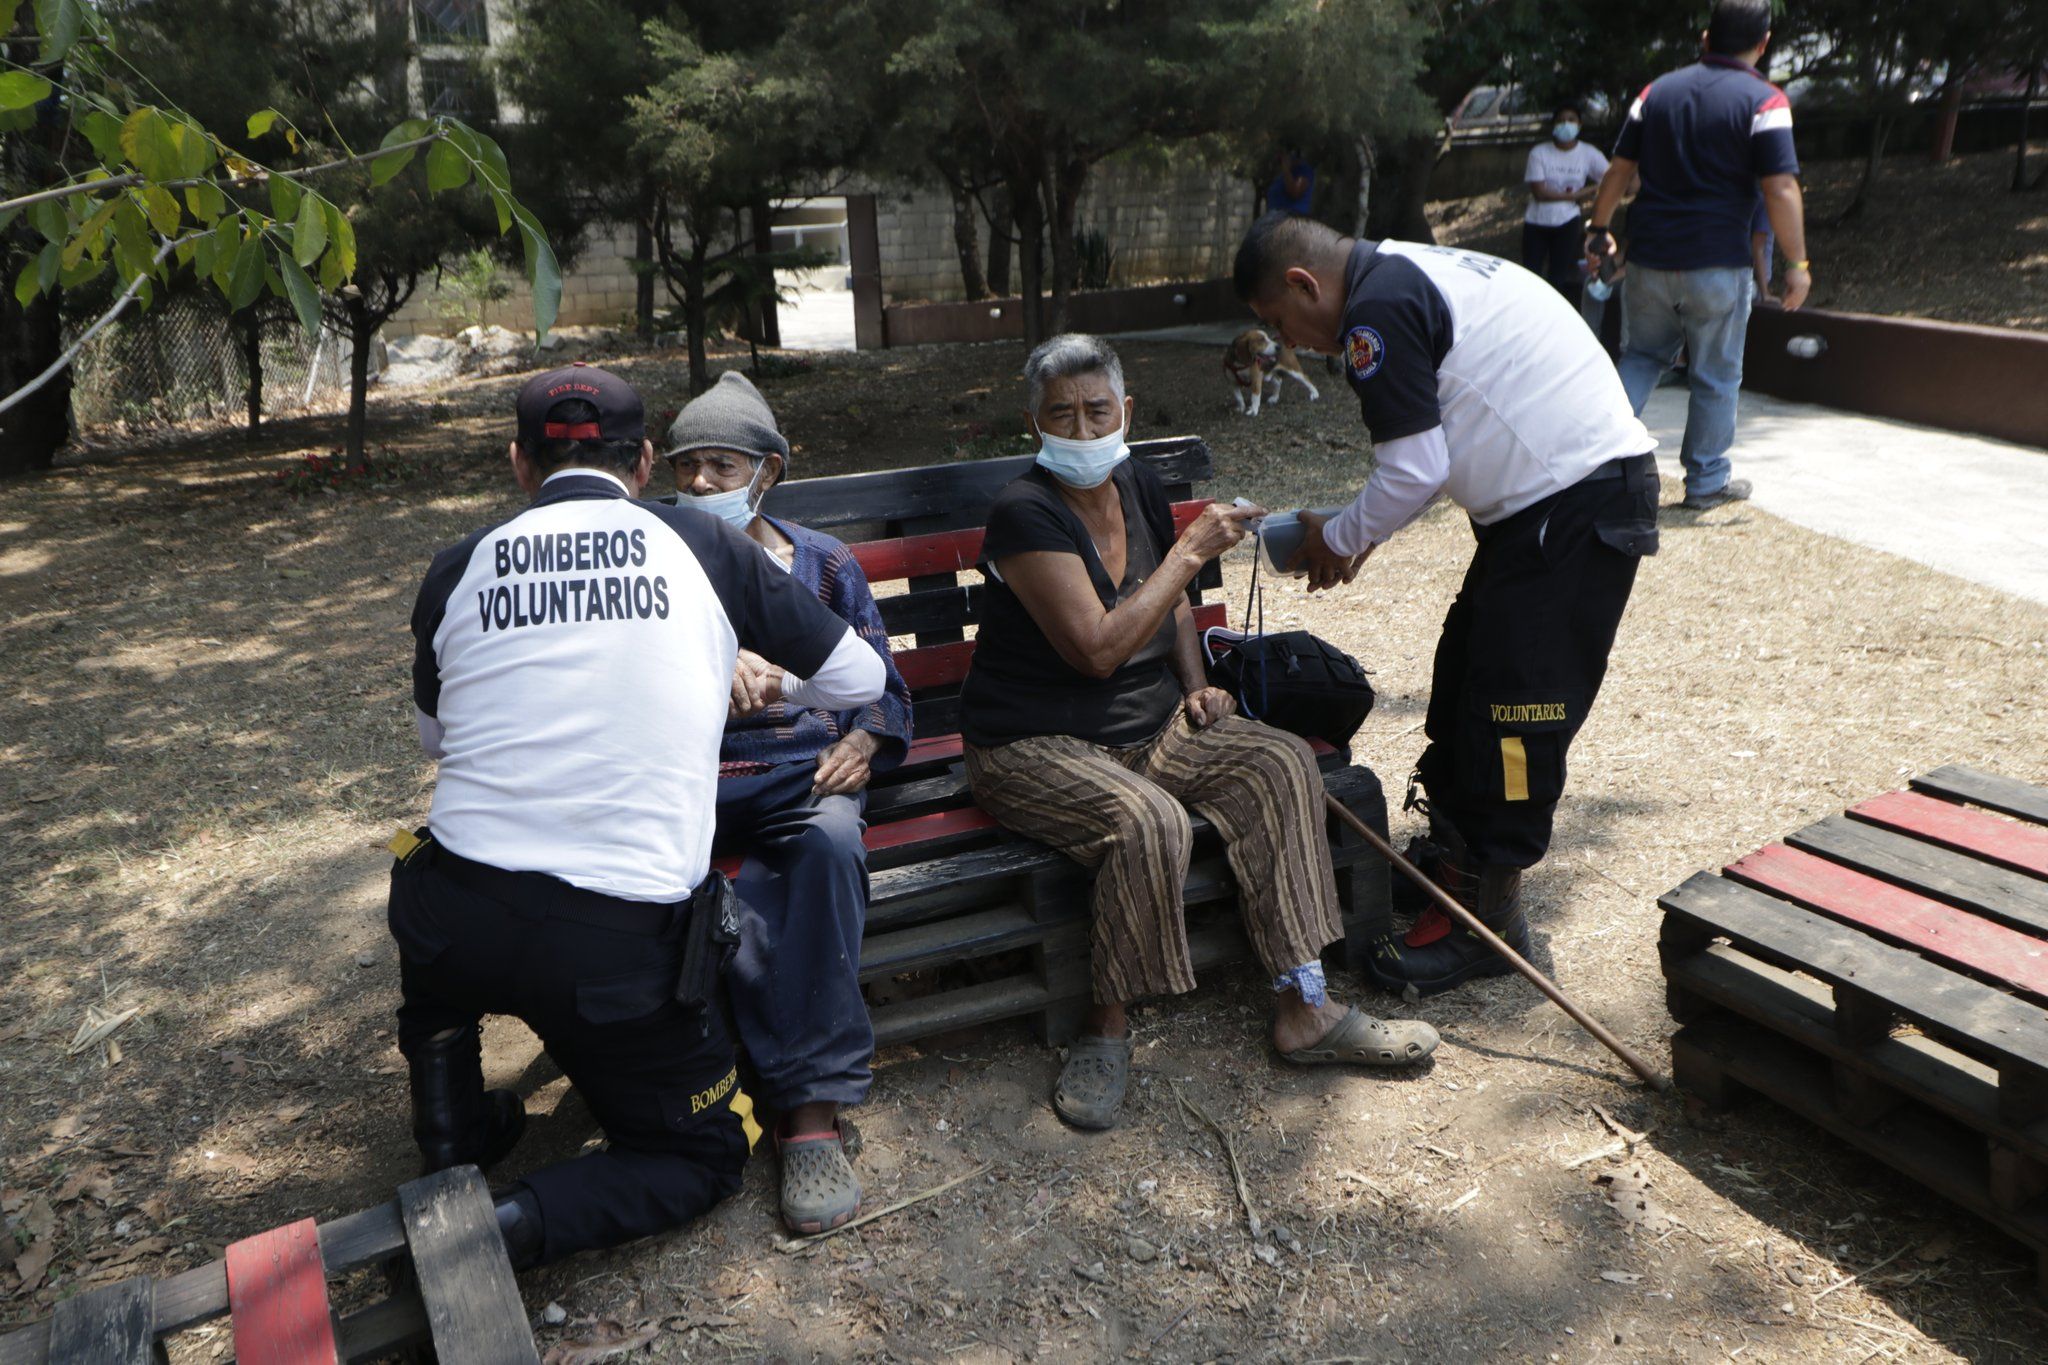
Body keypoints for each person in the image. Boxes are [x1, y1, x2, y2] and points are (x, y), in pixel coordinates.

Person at [389, 364, 885, 1268]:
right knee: (701, 1152)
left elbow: (436, 738)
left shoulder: (458, 563)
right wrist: (739, 674)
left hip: (450, 920)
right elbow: (860, 678)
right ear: (647, 458)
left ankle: (451, 1124)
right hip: (606, 946)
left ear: (517, 464)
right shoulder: (695, 542)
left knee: (435, 925)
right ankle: (492, 1232)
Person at [958, 333, 1440, 1131]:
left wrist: (1197, 685)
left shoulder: (1138, 483)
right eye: (1062, 416)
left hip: (1148, 725)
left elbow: (1171, 604)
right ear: (1033, 423)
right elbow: (1097, 648)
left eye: (1097, 411)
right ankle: (1107, 1029)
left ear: (1127, 412)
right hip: (1031, 744)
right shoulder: (1024, 513)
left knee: (1281, 761)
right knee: (1143, 820)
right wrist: (1189, 551)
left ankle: (1305, 1005)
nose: (1081, 431)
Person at [1233, 213, 1659, 997]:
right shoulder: (1398, 275)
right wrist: (1353, 534)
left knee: (1514, 712)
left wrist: (1340, 540)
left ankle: (1486, 923)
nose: (1289, 341)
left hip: (1574, 505)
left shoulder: (1375, 310)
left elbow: (1415, 469)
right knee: (1466, 674)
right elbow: (1425, 464)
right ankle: (1456, 863)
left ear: (1304, 284)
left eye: (1278, 322)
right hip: (1542, 509)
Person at [661, 370, 913, 1235]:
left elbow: (885, 685)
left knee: (828, 847)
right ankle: (690, 1096)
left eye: (720, 466)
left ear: (768, 471)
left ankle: (808, 1114)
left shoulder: (825, 563)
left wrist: (863, 738)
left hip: (801, 776)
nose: (697, 484)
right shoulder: (653, 574)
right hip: (688, 778)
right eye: (686, 466)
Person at [1585, 0, 1810, 511]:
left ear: (1706, 38)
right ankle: (1707, 481)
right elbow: (1779, 186)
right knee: (1716, 374)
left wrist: (1599, 229)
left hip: (1649, 259)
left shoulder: (1656, 92)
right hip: (1718, 264)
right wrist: (1797, 264)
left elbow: (1619, 170)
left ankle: (1589, 460)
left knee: (1641, 358)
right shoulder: (1765, 101)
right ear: (1764, 43)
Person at [1521, 102, 1609, 306]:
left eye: (1571, 120)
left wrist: (1587, 193)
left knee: (1558, 275)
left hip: (1567, 221)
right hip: (1537, 221)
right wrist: (1573, 196)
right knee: (1531, 273)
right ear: (1553, 125)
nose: (1565, 124)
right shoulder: (1539, 153)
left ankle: (1553, 313)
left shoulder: (1588, 153)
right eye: (1561, 120)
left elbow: (1610, 178)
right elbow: (1539, 192)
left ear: (1579, 125)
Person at [1268, 149, 1316, 217]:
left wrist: (1286, 169)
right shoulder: (1281, 176)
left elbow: (1295, 192)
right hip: (1274, 216)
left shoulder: (1304, 170)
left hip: (1292, 217)